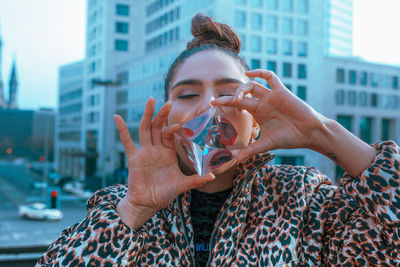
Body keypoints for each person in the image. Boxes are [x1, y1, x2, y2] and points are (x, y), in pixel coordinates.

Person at [37, 14, 400, 266]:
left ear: (254, 123)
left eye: (230, 93)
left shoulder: (305, 201)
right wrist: (133, 211)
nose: (211, 106)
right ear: (166, 119)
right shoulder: (117, 206)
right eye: (188, 95)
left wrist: (322, 133)